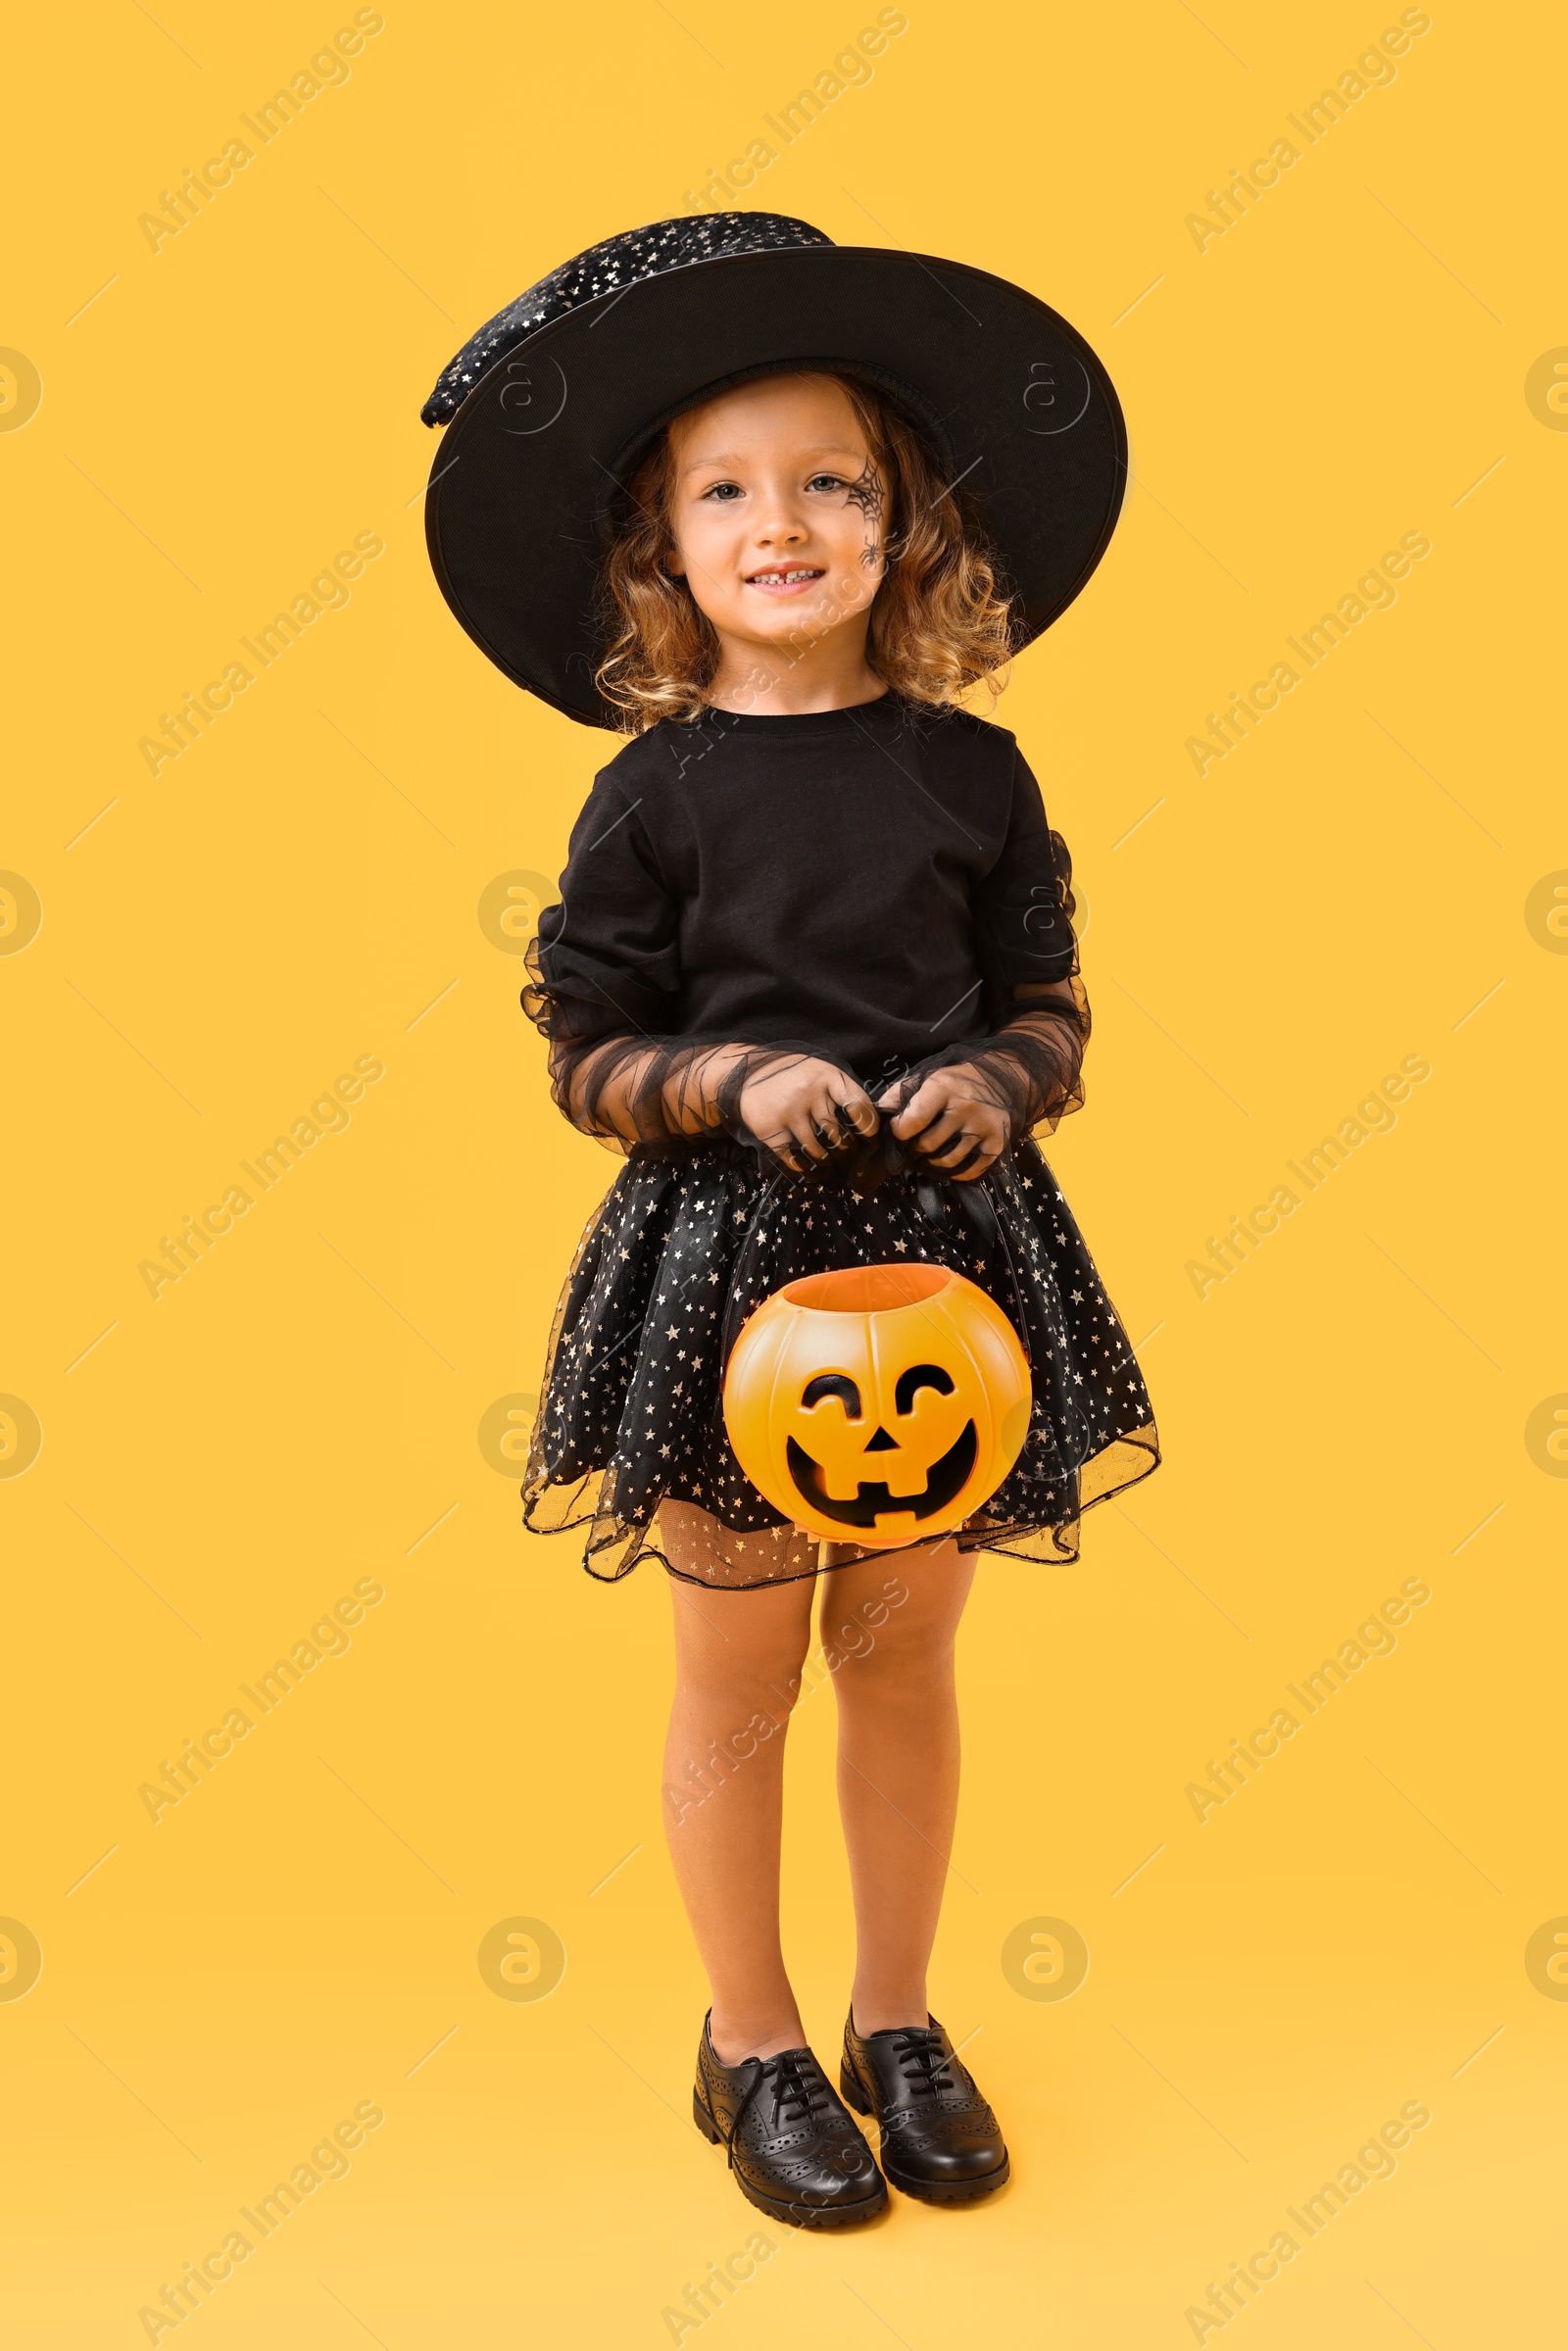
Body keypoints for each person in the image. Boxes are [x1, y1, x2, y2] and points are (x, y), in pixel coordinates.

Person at [420, 214, 1158, 2228]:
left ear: (900, 525)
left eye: (829, 481)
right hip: (720, 1270)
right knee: (736, 1674)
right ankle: (748, 2037)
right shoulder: (648, 799)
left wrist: (996, 1084)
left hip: (948, 1264)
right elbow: (581, 1042)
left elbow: (1046, 996)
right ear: (661, 551)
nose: (780, 524)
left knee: (905, 1658)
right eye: (723, 491)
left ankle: (895, 2015)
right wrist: (732, 1084)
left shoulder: (972, 771)